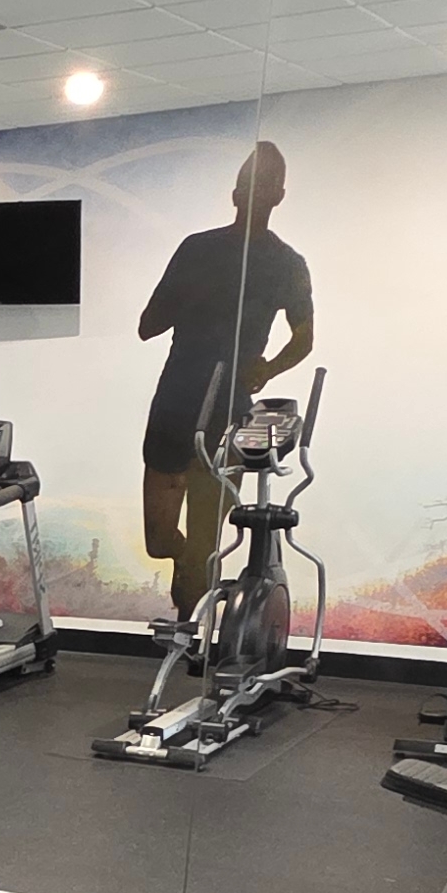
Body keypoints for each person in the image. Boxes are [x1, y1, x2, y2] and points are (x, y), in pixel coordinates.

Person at [138, 143, 317, 617]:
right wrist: (192, 295)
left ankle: (191, 633)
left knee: (205, 542)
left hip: (229, 408)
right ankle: (184, 566)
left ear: (279, 196)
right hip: (176, 401)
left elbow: (304, 339)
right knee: (159, 541)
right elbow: (147, 325)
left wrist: (267, 368)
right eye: (248, 186)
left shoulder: (288, 263)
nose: (255, 194)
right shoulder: (197, 248)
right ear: (234, 194)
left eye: (265, 187)